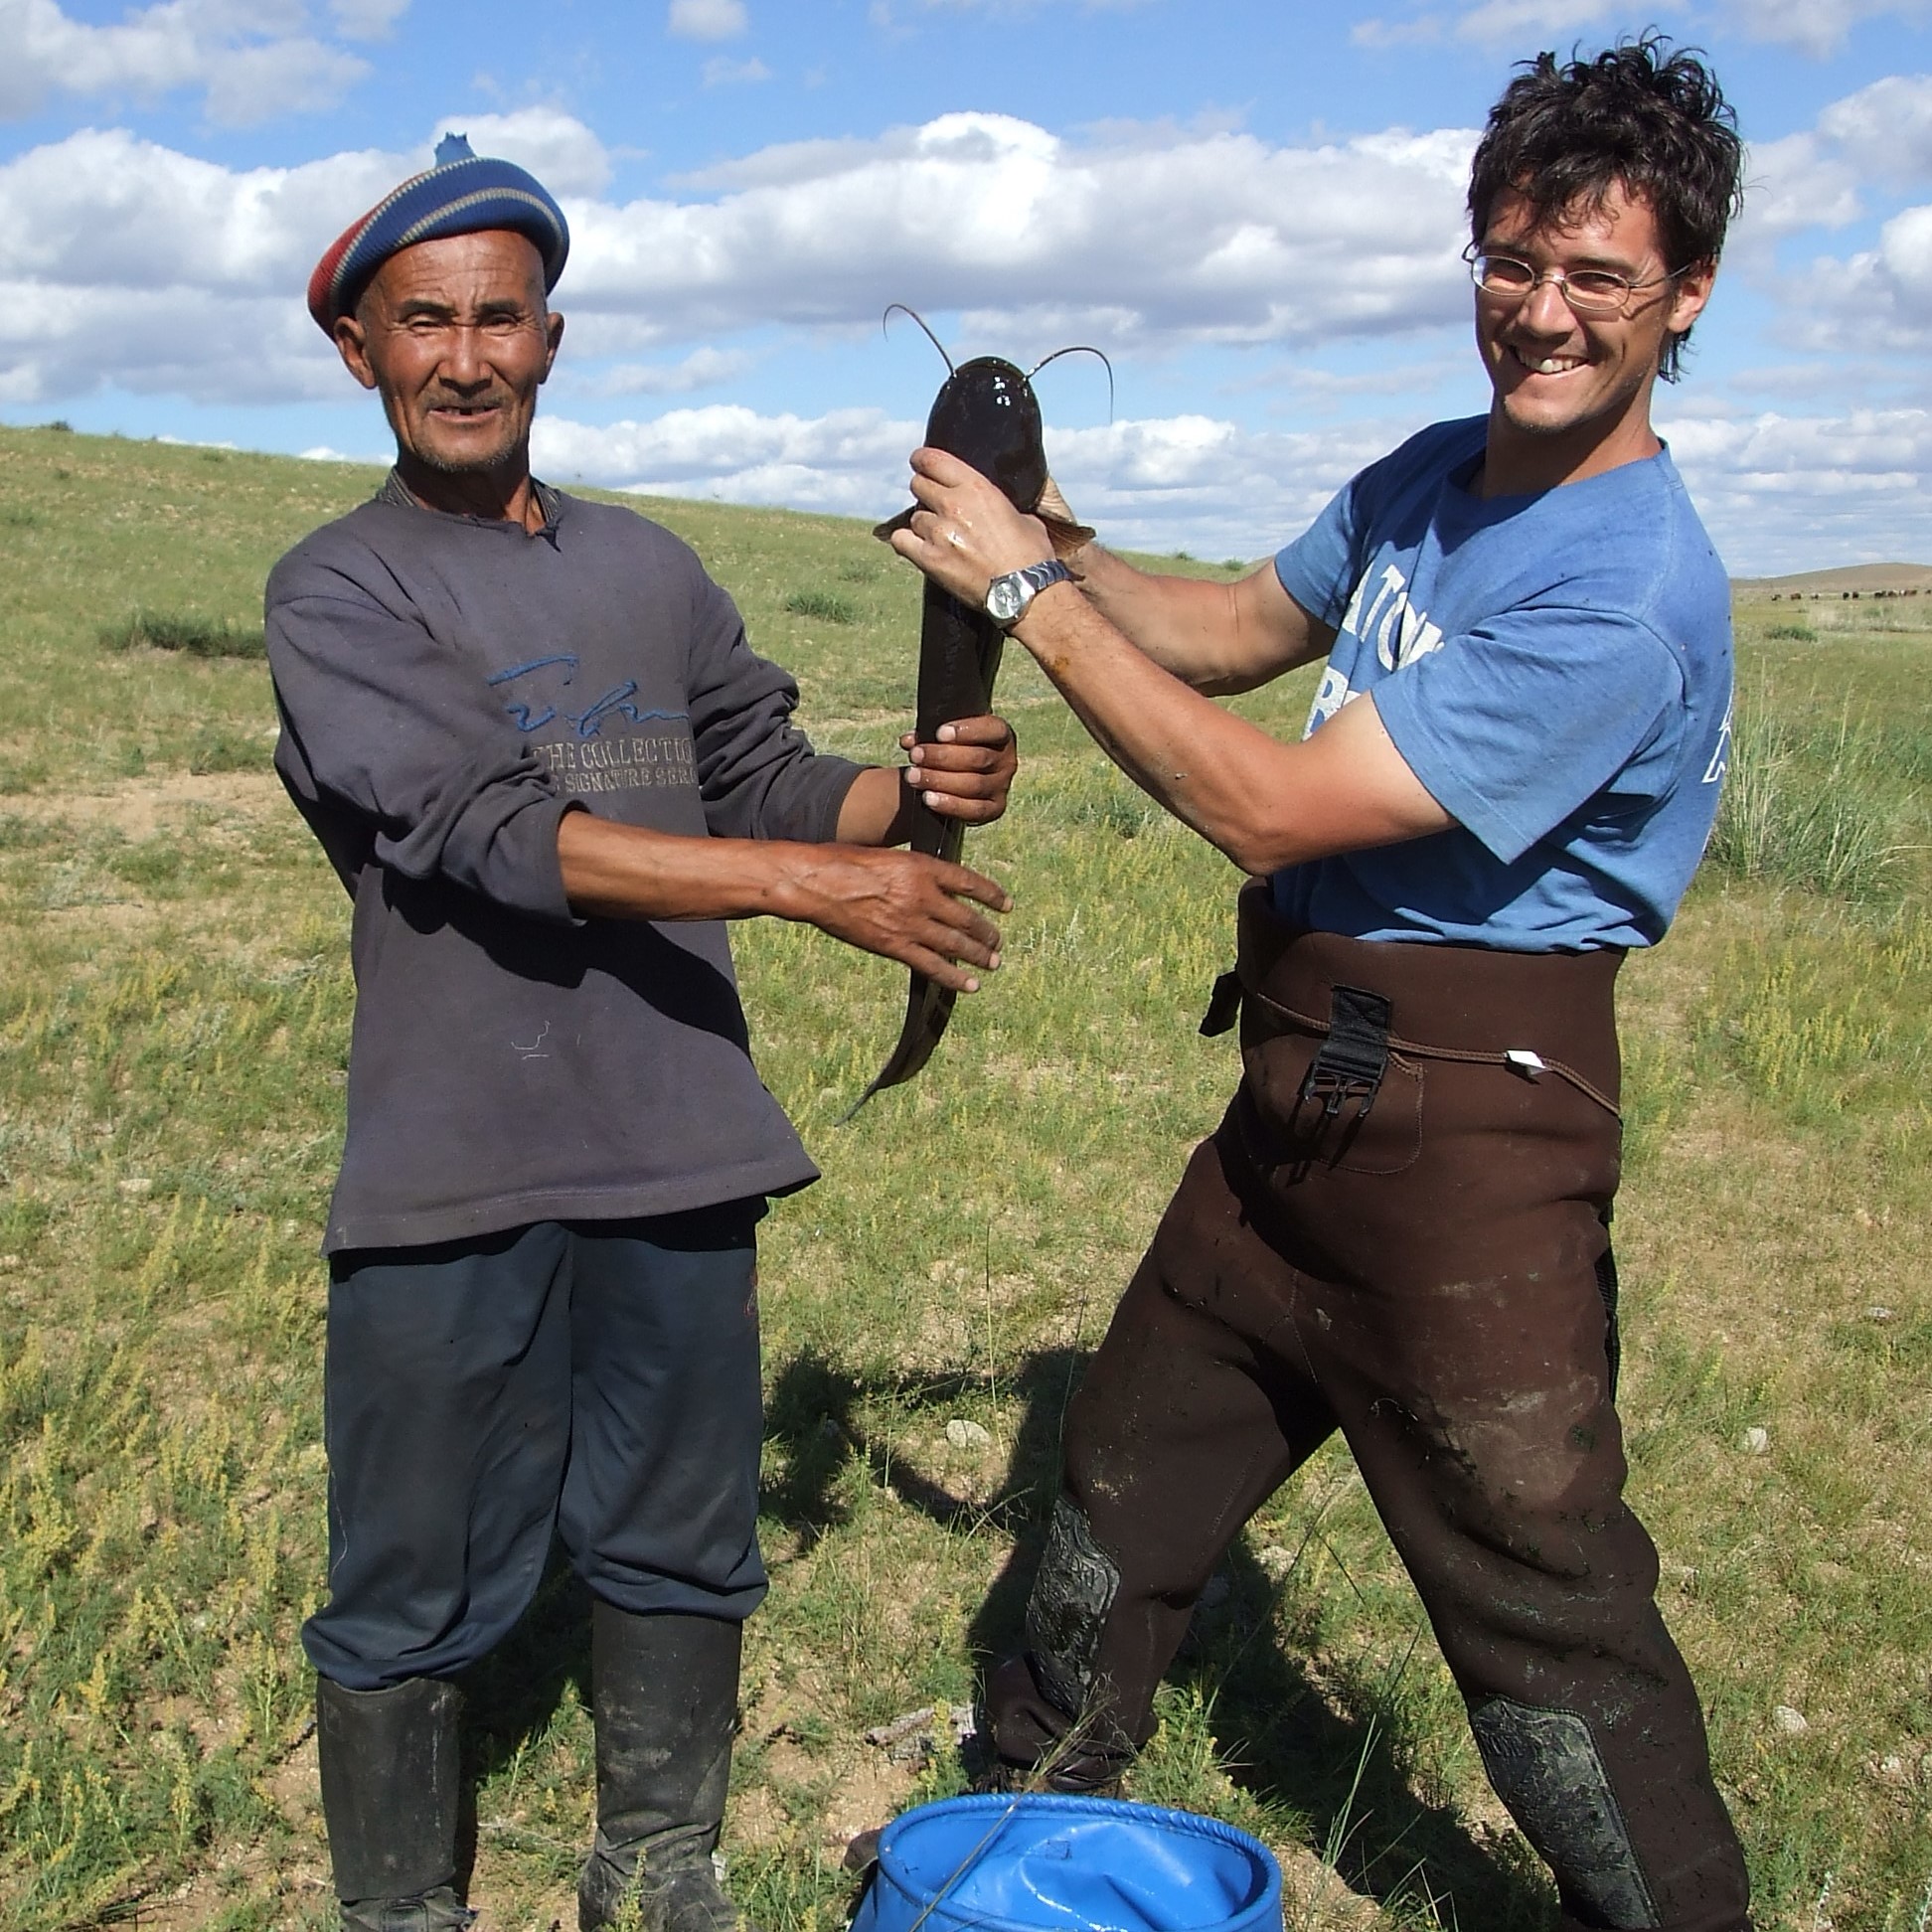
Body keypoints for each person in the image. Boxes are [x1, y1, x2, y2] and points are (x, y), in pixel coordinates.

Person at [888, 39, 1751, 1932]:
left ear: (1687, 293)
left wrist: (1027, 596)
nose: (1541, 313)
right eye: (1509, 262)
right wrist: (1055, 533)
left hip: (1471, 1160)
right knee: (1118, 1484)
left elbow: (1267, 807)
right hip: (1298, 1098)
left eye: (1597, 276)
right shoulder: (1437, 474)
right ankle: (1019, 1817)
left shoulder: (1625, 592)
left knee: (1545, 1613)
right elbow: (1234, 630)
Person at [271, 136, 1017, 1932]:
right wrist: (813, 888)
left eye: (500, 319)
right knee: (410, 1571)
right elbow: (487, 833)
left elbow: (762, 772)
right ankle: (402, 1911)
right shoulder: (339, 589)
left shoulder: (652, 566)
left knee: (681, 1533)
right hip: (457, 1156)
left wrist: (912, 790)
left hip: (678, 1133)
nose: (466, 358)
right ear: (361, 351)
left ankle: (660, 1864)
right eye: (424, 322)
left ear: (551, 337)